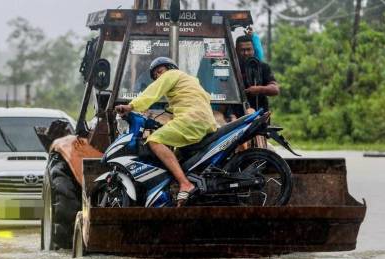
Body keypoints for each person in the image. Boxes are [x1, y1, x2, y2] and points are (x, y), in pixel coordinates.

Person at [115, 57, 217, 206]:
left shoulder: (171, 74)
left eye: (159, 71)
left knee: (155, 141)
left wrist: (130, 106)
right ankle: (181, 187)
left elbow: (152, 92)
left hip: (192, 119)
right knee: (178, 155)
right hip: (207, 121)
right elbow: (181, 104)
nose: (158, 76)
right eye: (155, 75)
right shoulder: (191, 81)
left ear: (170, 68)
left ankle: (185, 184)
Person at [235, 33, 279, 117]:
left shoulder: (263, 67)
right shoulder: (231, 68)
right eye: (242, 50)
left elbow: (275, 89)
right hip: (235, 117)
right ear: (235, 50)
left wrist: (259, 89)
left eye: (249, 49)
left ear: (253, 50)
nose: (246, 53)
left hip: (260, 117)